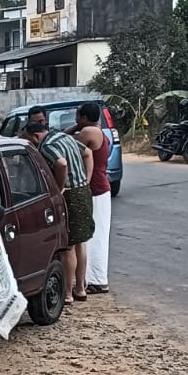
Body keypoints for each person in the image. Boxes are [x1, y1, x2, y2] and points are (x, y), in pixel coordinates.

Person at [24, 106, 93, 304]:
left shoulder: (46, 145)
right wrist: (85, 180)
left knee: (68, 245)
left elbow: (61, 164)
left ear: (36, 136)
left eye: (30, 141)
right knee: (81, 242)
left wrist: (59, 188)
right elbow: (87, 153)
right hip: (82, 191)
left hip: (70, 194)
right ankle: (80, 288)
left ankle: (68, 293)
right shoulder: (65, 137)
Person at [73, 102, 110, 293]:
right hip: (100, 187)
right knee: (97, 234)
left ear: (85, 118)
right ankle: (94, 277)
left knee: (90, 236)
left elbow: (68, 145)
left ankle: (95, 278)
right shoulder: (100, 131)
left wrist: (76, 128)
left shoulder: (88, 132)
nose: (75, 119)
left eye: (77, 116)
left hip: (94, 189)